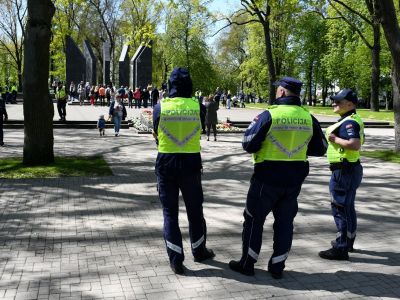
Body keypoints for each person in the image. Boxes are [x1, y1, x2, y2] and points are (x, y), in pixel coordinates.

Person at [228, 77, 327, 279]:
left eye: (277, 90)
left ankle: (248, 263)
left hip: (267, 178)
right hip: (294, 182)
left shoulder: (269, 115)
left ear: (282, 92)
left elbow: (248, 143)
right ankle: (277, 266)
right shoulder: (309, 118)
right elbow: (321, 148)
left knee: (254, 220)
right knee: (284, 223)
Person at [152, 67, 214, 275]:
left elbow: (156, 132)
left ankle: (176, 259)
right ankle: (199, 251)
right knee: (195, 211)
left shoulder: (160, 107)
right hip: (191, 164)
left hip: (166, 162)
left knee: (170, 213)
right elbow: (202, 129)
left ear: (170, 85)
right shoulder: (197, 106)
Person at [319, 89, 364, 261]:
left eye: (338, 102)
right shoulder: (351, 120)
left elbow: (354, 144)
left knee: (340, 209)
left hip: (343, 171)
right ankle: (348, 241)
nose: (334, 104)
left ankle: (341, 247)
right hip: (351, 169)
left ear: (350, 104)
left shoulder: (348, 123)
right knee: (348, 207)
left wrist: (334, 139)